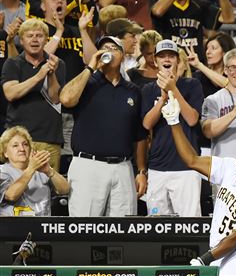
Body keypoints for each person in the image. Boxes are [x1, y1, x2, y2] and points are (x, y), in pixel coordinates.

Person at [161, 91, 236, 276]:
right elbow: (191, 160)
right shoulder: (230, 167)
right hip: (217, 255)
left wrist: (204, 260)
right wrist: (173, 122)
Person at [59, 36, 147, 217]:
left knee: (124, 230)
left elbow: (139, 135)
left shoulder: (133, 90)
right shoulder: (87, 83)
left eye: (114, 48)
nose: (108, 51)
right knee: (84, 228)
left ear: (122, 56)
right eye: (104, 48)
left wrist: (141, 171)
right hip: (88, 166)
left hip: (123, 167)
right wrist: (90, 67)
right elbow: (66, 99)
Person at [141, 39, 204, 216]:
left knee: (189, 224)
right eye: (162, 56)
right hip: (157, 167)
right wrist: (162, 98)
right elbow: (147, 124)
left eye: (171, 56)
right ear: (155, 61)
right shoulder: (148, 89)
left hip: (186, 168)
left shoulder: (192, 85)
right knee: (156, 224)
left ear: (177, 60)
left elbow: (192, 119)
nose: (167, 59)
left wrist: (172, 89)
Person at [1, 18, 66, 172]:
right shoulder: (13, 63)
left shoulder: (58, 63)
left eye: (39, 35)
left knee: (48, 189)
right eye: (29, 36)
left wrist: (51, 74)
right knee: (16, 187)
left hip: (48, 138)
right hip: (17, 141)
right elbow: (10, 93)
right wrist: (39, 76)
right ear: (21, 41)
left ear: (46, 40)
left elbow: (55, 98)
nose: (35, 39)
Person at [151, 0, 235, 61]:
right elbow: (157, 12)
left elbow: (229, 18)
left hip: (195, 66)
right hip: (169, 63)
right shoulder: (158, 1)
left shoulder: (199, 5)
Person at [0, 126, 69, 216]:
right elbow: (11, 196)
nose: (22, 149)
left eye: (25, 144)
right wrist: (31, 169)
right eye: (15, 145)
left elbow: (65, 190)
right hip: (14, 227)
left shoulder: (42, 172)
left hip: (41, 226)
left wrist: (49, 171)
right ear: (5, 153)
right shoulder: (3, 171)